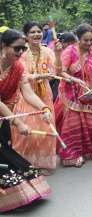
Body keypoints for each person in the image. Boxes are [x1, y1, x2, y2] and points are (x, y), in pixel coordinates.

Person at [0, 28, 51, 212]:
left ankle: (20, 194)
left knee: (4, 149)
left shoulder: (18, 67)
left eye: (23, 49)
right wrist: (18, 122)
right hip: (6, 114)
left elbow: (27, 92)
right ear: (3, 46)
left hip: (5, 117)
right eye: (17, 49)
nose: (21, 52)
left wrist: (43, 108)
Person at [11, 21, 61, 173]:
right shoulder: (21, 53)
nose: (36, 34)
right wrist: (38, 76)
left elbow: (56, 72)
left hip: (44, 94)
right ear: (26, 36)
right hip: (25, 95)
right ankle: (25, 164)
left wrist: (58, 54)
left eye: (38, 31)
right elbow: (22, 76)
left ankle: (43, 164)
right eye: (32, 32)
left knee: (46, 129)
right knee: (27, 132)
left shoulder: (48, 52)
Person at [55, 23, 92, 167]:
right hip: (71, 94)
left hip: (89, 93)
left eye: (91, 40)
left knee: (91, 123)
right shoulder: (70, 51)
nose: (89, 43)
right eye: (85, 40)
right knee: (73, 126)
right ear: (78, 38)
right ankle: (73, 155)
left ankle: (90, 151)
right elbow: (61, 72)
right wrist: (74, 79)